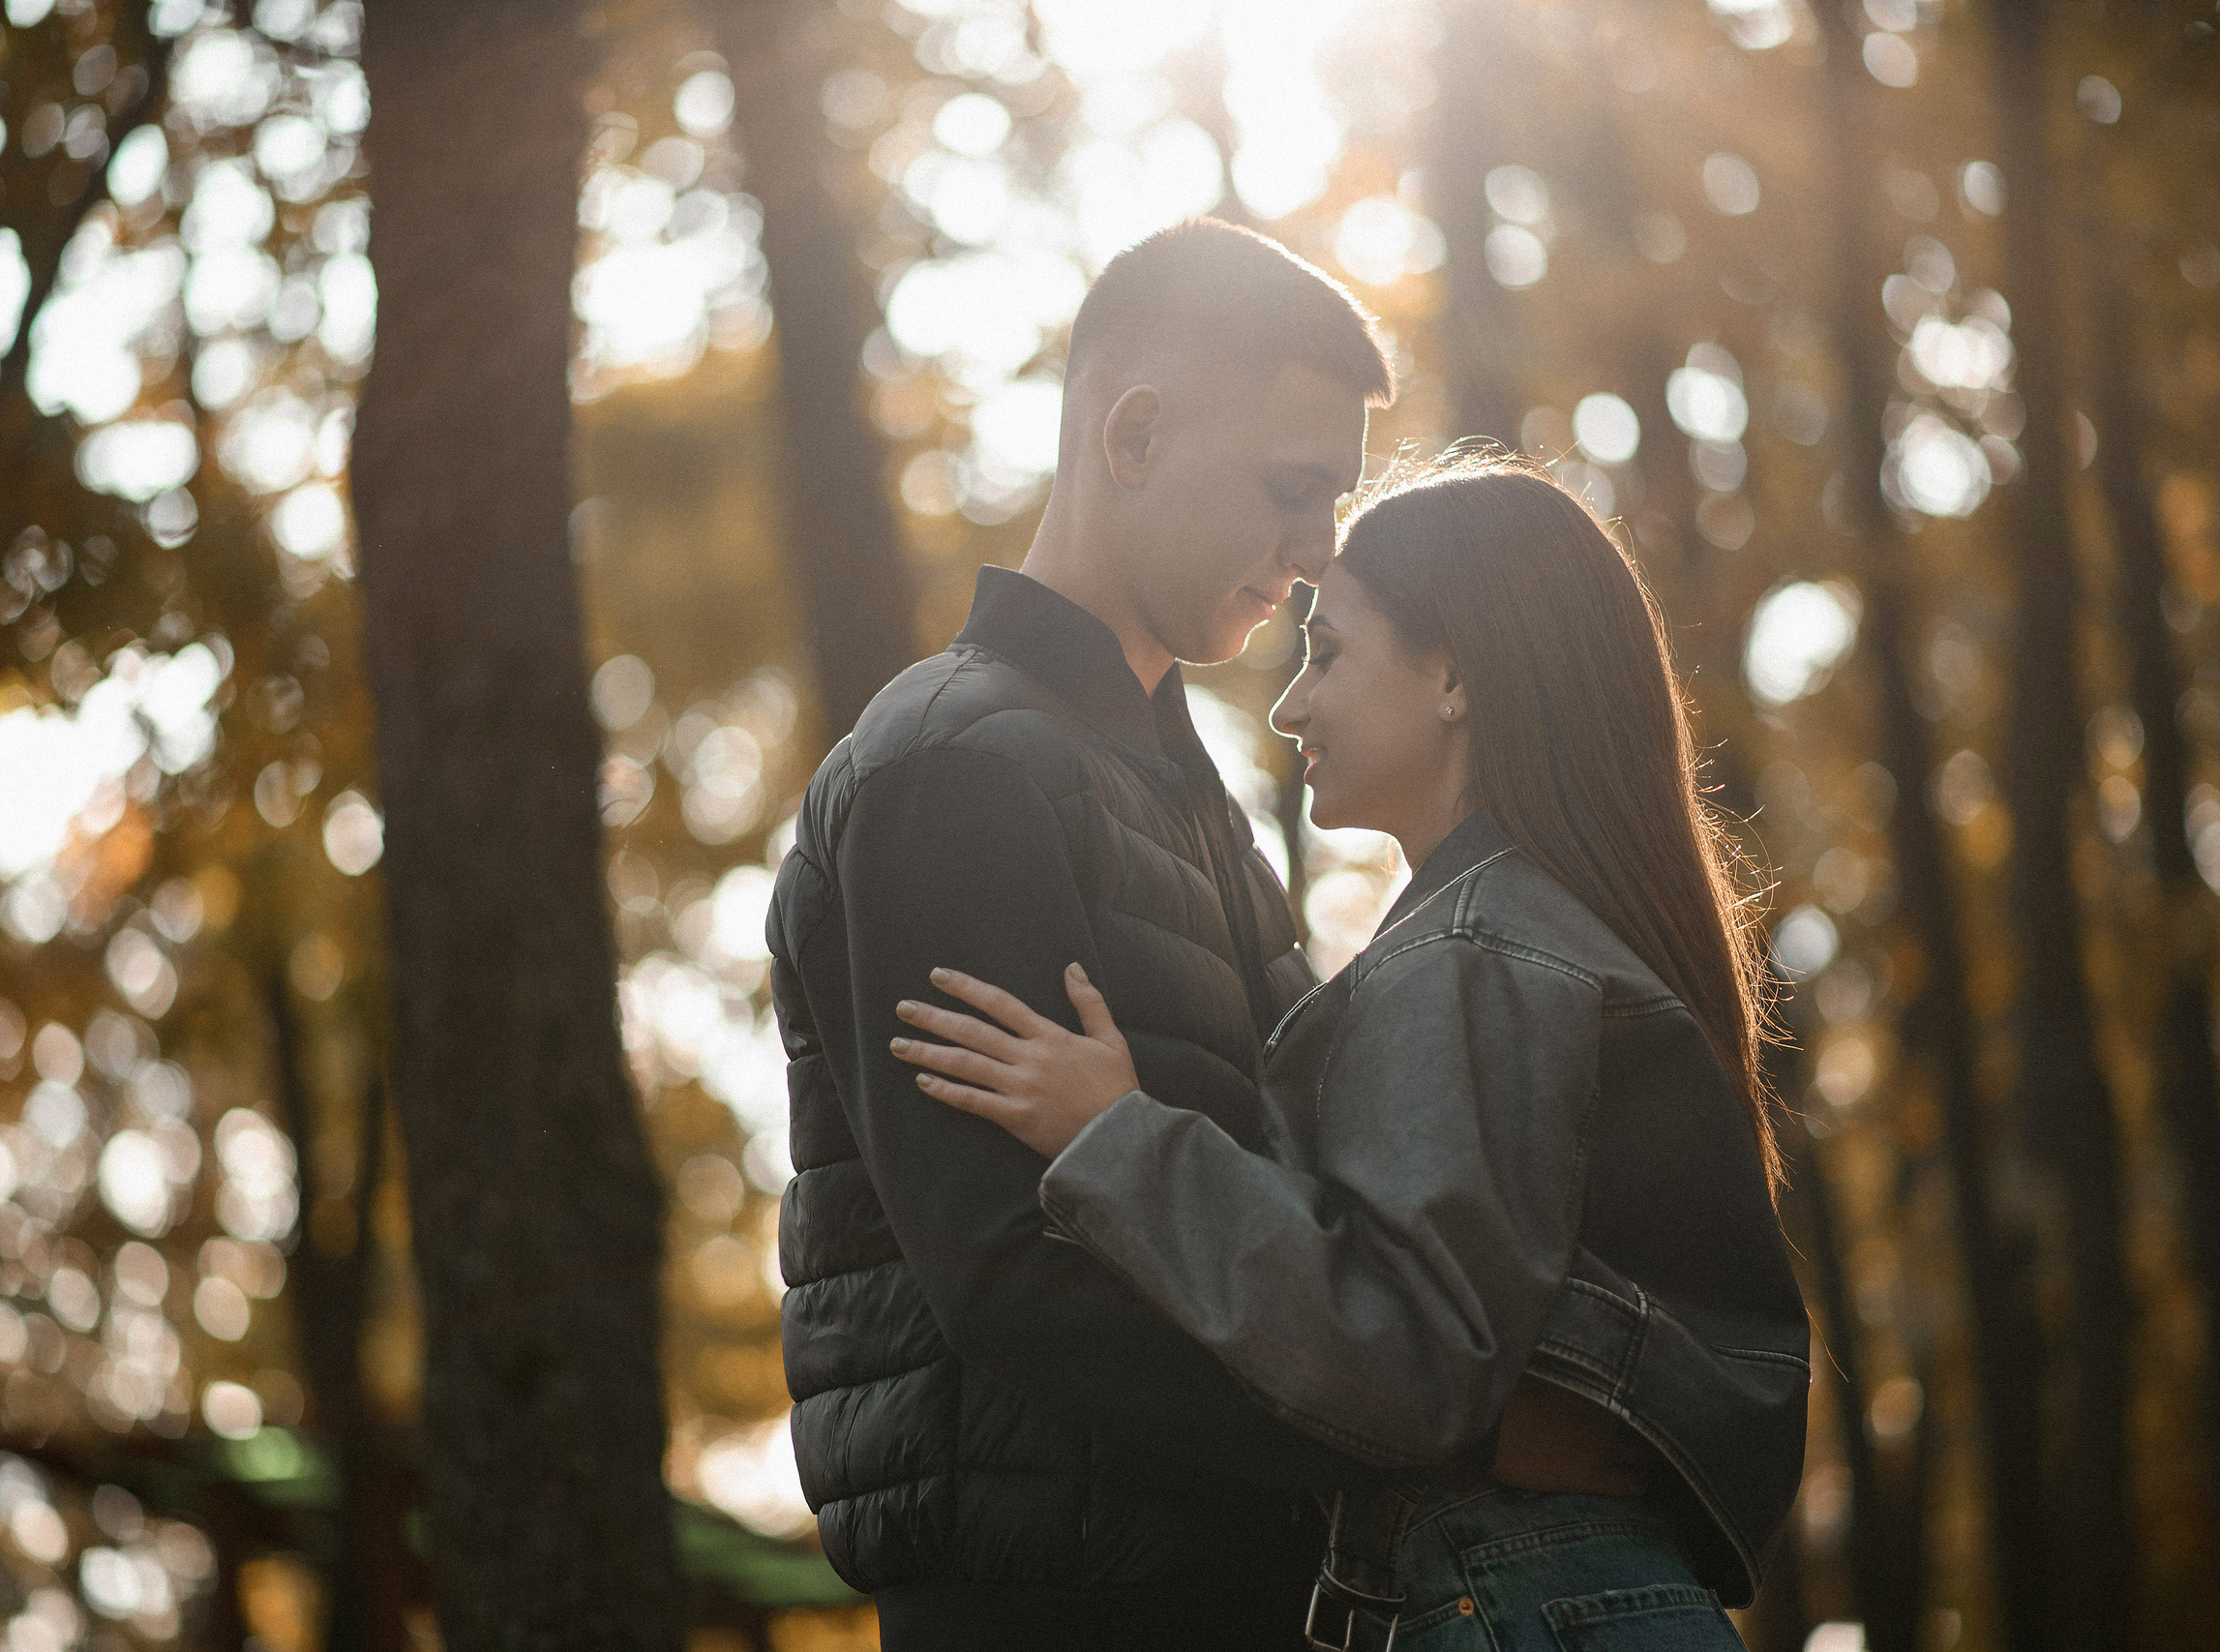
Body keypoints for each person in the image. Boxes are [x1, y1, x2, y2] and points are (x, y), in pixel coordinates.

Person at [890, 453, 1812, 1650]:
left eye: (1328, 653)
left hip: (1515, 1595)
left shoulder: (1476, 951)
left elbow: (1411, 1354)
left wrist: (1121, 1138)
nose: (1290, 707)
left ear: (1451, 675)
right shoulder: (1540, 935)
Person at [766, 219, 1395, 1650]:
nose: (1315, 555)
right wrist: (1383, 1427)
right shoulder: (955, 767)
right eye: (1293, 491)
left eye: (1335, 507)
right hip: (1059, 1604)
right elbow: (1011, 1272)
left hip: (1229, 1583)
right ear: (1136, 435)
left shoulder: (1189, 790)